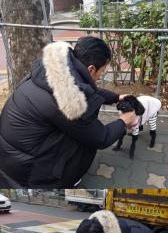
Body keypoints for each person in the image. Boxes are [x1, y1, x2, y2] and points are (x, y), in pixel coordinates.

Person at [0, 36, 137, 188]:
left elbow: (86, 89)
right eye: (102, 72)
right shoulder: (69, 101)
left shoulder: (56, 70)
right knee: (86, 140)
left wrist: (116, 97)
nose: (101, 76)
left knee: (81, 130)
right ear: (91, 69)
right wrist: (124, 121)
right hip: (28, 173)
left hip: (10, 157)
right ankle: (65, 181)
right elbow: (101, 138)